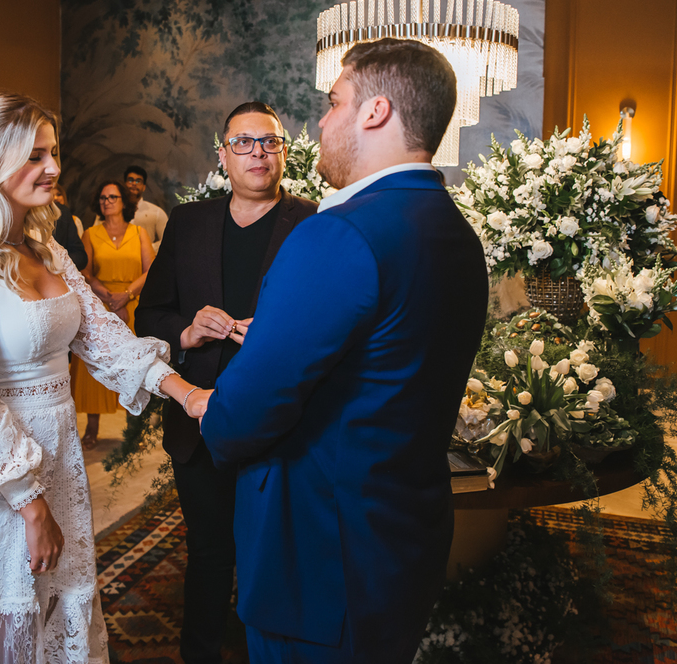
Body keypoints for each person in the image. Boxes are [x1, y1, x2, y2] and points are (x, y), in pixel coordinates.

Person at [188, 39, 488, 663]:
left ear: (376, 112)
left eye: (334, 103)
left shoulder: (338, 233)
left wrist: (210, 406)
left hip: (320, 557)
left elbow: (243, 414)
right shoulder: (455, 230)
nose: (322, 123)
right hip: (401, 538)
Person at [0, 90, 201, 664]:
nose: (52, 168)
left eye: (52, 154)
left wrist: (189, 395)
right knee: (3, 630)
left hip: (60, 459)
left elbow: (102, 337)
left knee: (57, 616)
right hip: (0, 482)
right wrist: (30, 504)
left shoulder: (47, 249)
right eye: (35, 156)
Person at [136, 101, 316, 664]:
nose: (257, 153)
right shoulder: (188, 222)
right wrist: (186, 333)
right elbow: (149, 315)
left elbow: (334, 326)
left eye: (270, 142)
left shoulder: (313, 223)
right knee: (209, 552)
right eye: (244, 142)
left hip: (282, 423)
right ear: (223, 154)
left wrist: (280, 335)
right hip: (200, 419)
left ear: (283, 152)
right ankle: (201, 652)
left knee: (275, 554)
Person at [71, 181, 154, 449]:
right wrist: (108, 296)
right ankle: (92, 427)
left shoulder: (139, 232)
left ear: (124, 201)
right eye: (103, 198)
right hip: (101, 304)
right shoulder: (91, 234)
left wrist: (126, 295)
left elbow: (150, 270)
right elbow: (85, 272)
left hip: (132, 303)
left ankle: (134, 430)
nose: (107, 202)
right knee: (96, 364)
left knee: (133, 366)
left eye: (113, 197)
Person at [122, 165, 168, 250]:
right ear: (124, 184)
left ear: (144, 187)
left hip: (145, 257)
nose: (134, 184)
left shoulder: (156, 212)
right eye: (130, 180)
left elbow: (167, 240)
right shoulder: (111, 209)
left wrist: (147, 248)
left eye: (138, 181)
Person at [50, 183, 87, 270]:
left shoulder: (64, 214)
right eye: (52, 195)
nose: (55, 198)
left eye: (58, 194)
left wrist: (55, 262)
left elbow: (80, 256)